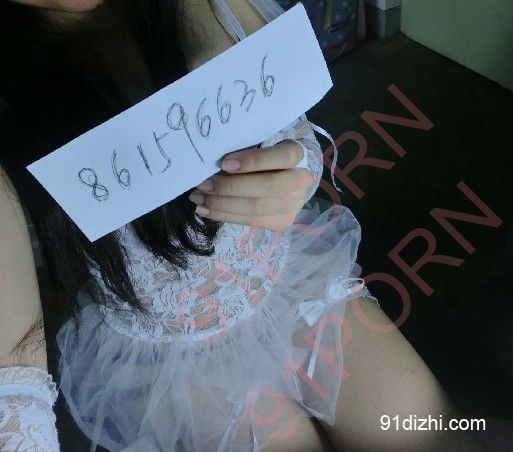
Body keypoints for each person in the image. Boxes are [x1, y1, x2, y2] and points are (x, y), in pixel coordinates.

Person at [0, 0, 486, 450]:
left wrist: (297, 170)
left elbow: (293, 126)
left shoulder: (209, 3)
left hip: (291, 280)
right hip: (171, 356)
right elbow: (14, 391)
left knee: (439, 437)